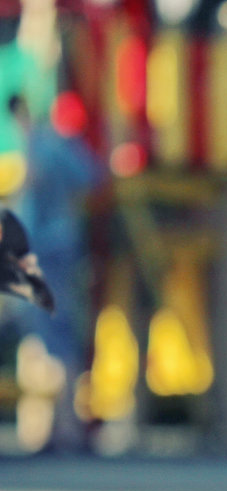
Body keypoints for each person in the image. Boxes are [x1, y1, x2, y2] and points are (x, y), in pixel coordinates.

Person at [7, 94, 101, 452]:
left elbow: (88, 178)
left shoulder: (45, 146)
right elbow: (91, 179)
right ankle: (55, 425)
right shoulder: (50, 145)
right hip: (47, 248)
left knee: (51, 334)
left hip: (45, 251)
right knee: (47, 334)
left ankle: (62, 425)